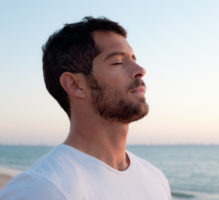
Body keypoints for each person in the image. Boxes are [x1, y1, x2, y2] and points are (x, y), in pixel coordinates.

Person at [0, 17, 172, 200]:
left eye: (133, 59)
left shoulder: (155, 178)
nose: (140, 70)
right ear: (75, 85)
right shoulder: (41, 188)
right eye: (117, 62)